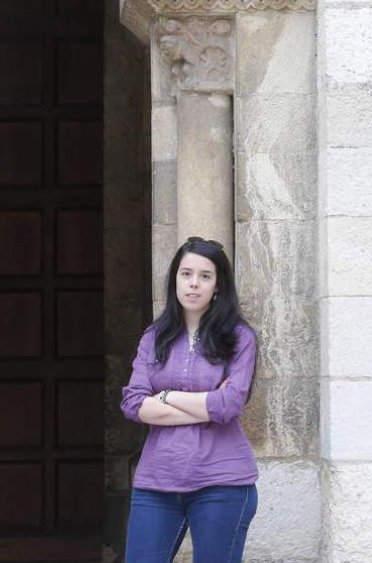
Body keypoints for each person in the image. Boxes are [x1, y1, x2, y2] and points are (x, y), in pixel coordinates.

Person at [120, 236, 259, 563]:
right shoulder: (154, 338)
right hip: (157, 481)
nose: (194, 283)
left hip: (222, 483)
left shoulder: (240, 338)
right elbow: (133, 404)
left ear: (218, 285)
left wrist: (166, 396)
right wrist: (207, 405)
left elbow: (229, 406)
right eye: (186, 274)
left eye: (205, 276)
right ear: (175, 280)